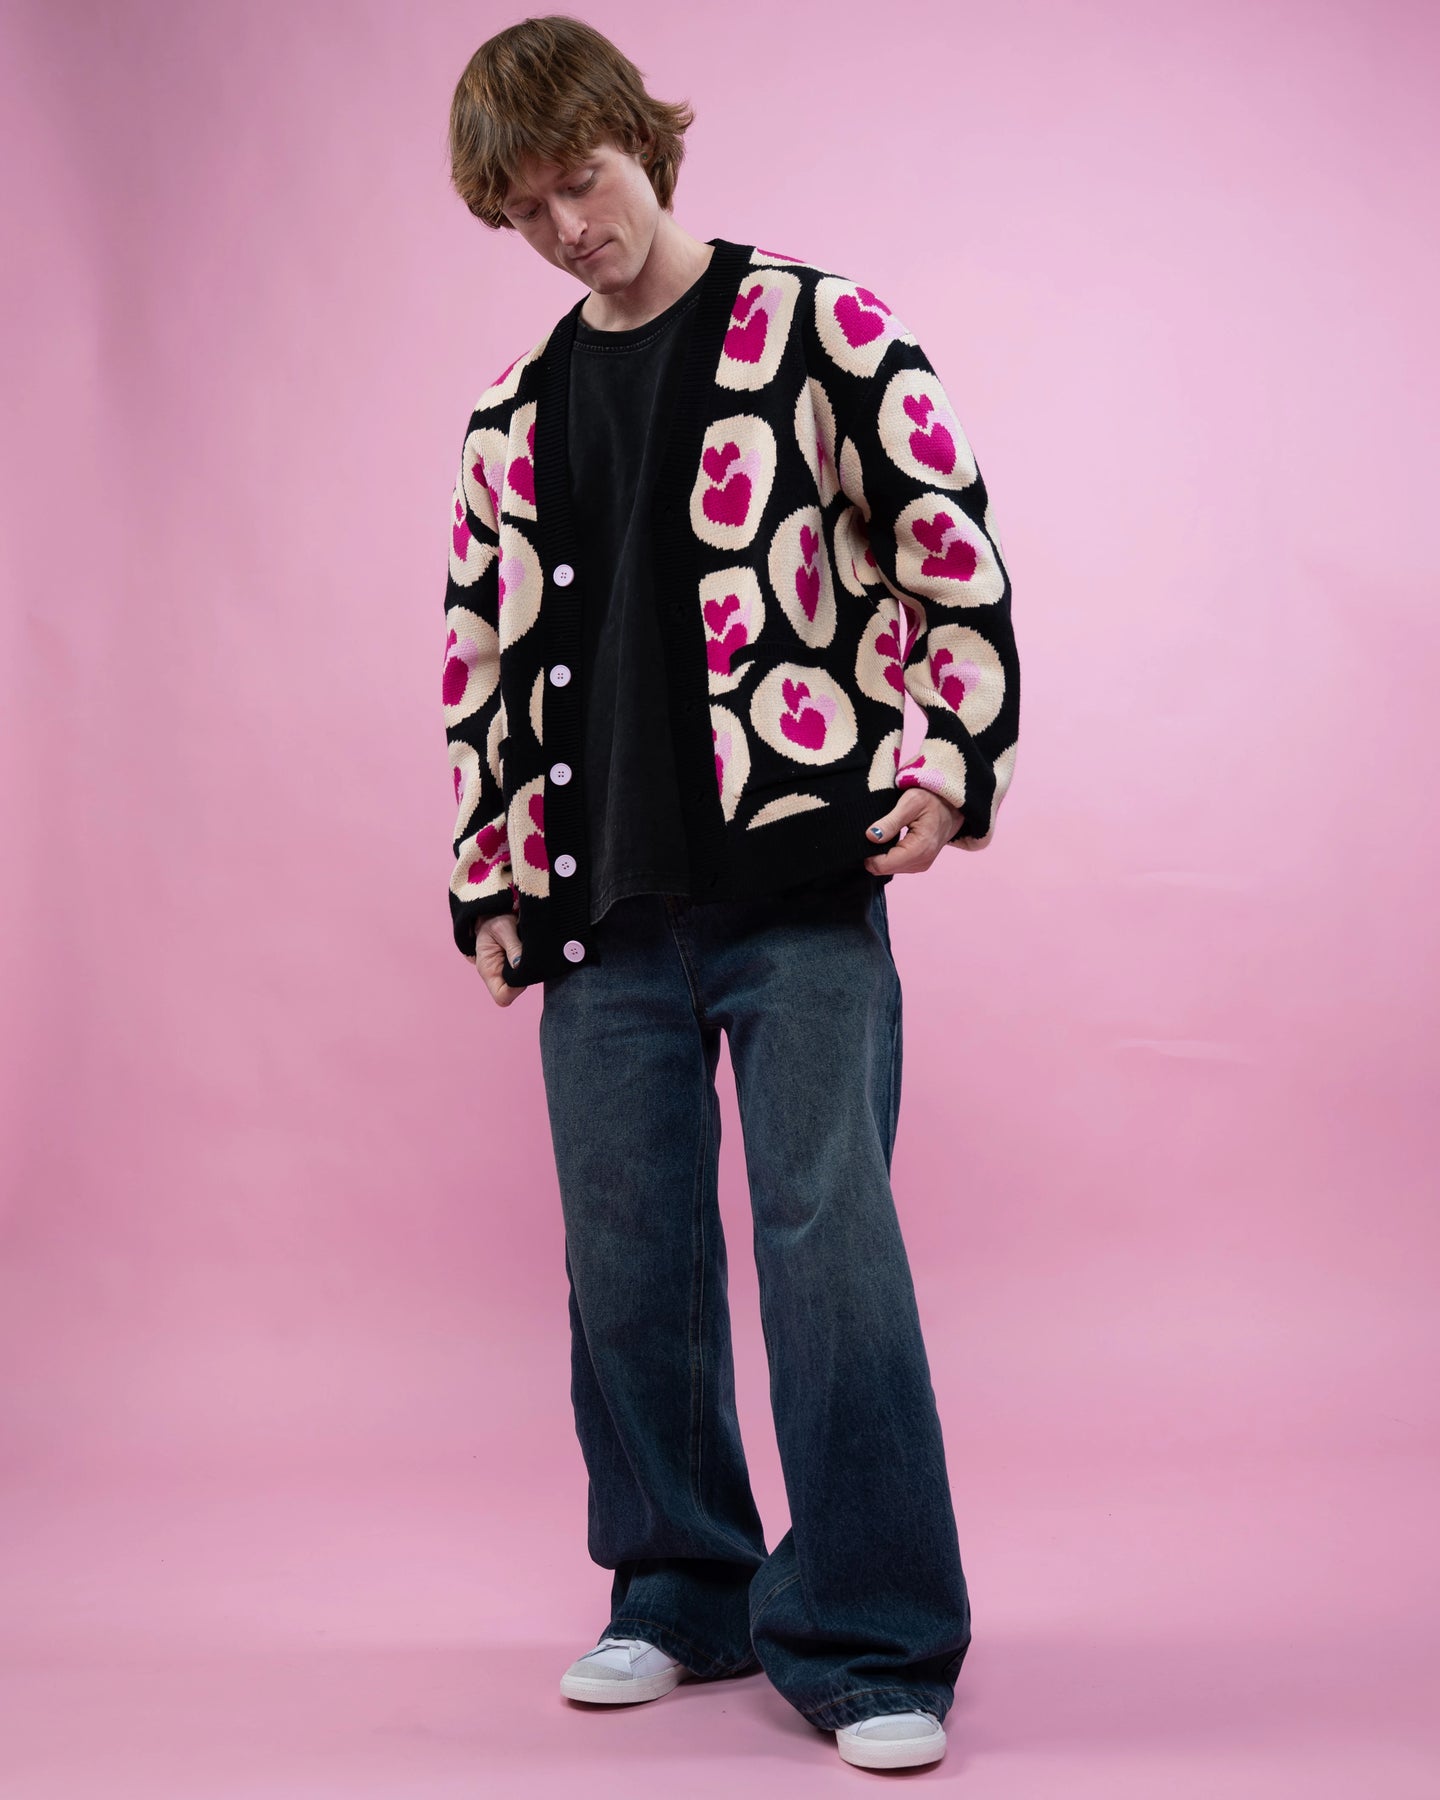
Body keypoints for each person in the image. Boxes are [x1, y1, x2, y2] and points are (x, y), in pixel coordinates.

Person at [441, 14, 1019, 1773]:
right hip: (600, 908)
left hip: (796, 885)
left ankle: (873, 1636)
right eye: (528, 211)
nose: (570, 229)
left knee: (828, 1247)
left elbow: (948, 546)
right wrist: (491, 875)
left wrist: (946, 762)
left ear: (644, 139)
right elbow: (480, 659)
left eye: (584, 181)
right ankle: (680, 1588)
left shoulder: (822, 330)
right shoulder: (513, 415)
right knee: (626, 1264)